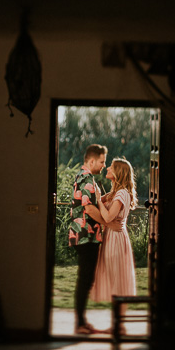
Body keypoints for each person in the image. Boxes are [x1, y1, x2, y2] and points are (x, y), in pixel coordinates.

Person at [68, 143, 108, 335]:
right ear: (91, 160)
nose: (103, 166)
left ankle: (82, 321)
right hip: (85, 235)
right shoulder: (87, 180)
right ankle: (80, 324)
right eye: (101, 162)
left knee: (85, 277)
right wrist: (107, 223)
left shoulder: (84, 177)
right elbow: (89, 209)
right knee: (85, 278)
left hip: (85, 235)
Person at [90, 158, 138, 308]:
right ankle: (117, 322)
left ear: (118, 172)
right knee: (114, 280)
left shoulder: (122, 193)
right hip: (110, 236)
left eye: (111, 167)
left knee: (118, 281)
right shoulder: (114, 193)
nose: (107, 168)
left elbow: (108, 216)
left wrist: (98, 200)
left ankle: (120, 323)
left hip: (116, 239)